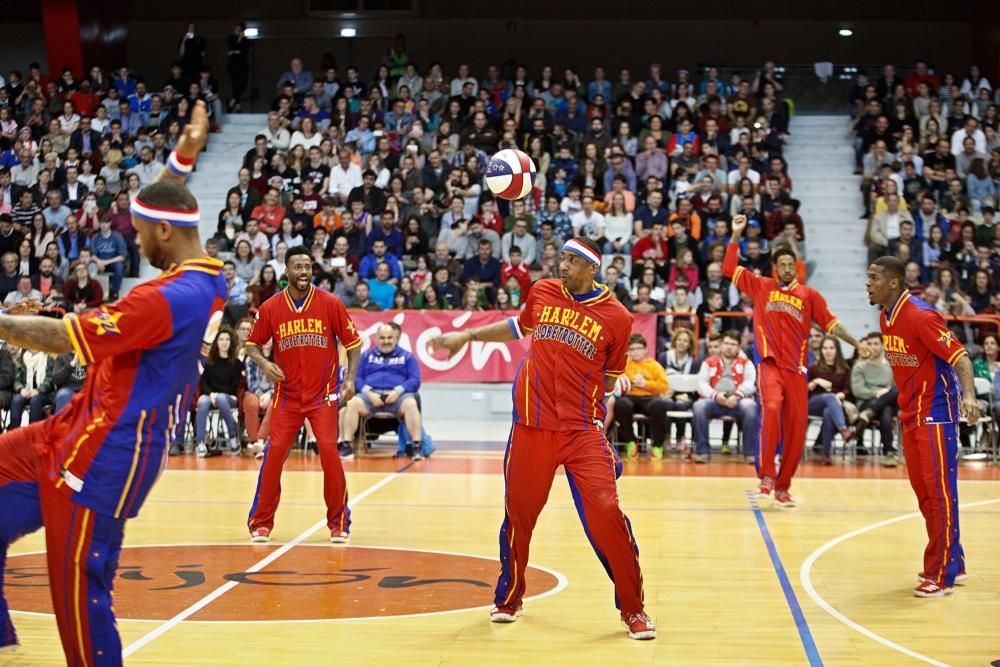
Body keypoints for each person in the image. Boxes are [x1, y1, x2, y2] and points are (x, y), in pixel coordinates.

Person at [0, 100, 228, 665]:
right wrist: (183, 156)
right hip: (75, 425)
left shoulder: (163, 300)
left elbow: (58, 338)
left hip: (108, 454)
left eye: (142, 232)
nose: (136, 238)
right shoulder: (206, 273)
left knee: (79, 593)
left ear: (165, 237)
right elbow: (161, 202)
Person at [429, 237, 654, 640]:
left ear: (592, 268)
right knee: (519, 515)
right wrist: (467, 337)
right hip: (531, 426)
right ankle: (510, 597)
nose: (561, 266)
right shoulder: (544, 291)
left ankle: (633, 608)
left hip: (582, 430)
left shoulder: (617, 317)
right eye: (561, 258)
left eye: (571, 261)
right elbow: (518, 327)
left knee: (607, 515)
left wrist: (588, 407)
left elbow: (610, 378)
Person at [725, 214, 861, 506]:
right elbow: (728, 268)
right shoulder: (761, 286)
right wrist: (736, 235)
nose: (786, 269)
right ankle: (766, 476)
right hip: (770, 366)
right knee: (771, 407)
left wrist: (857, 343)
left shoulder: (809, 295)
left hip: (798, 371)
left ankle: (783, 486)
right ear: (774, 268)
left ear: (797, 268)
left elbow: (832, 325)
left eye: (791, 265)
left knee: (797, 431)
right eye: (781, 265)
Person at [865, 256, 978, 598]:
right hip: (910, 413)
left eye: (874, 278)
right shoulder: (885, 317)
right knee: (924, 493)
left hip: (936, 414)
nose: (868, 283)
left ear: (894, 283)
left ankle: (940, 573)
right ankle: (952, 559)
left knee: (939, 493)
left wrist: (969, 396)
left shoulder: (921, 315)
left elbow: (960, 356)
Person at [244, 245, 362, 544]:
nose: (304, 272)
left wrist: (349, 379)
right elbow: (251, 345)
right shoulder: (271, 307)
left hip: (323, 395)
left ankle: (339, 522)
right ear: (287, 270)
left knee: (330, 454)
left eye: (308, 267)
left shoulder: (330, 303)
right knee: (273, 458)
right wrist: (265, 363)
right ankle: (261, 522)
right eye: (298, 267)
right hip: (287, 396)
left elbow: (353, 344)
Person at [341, 323, 424, 460]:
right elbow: (356, 378)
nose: (386, 341)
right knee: (353, 404)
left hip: (398, 397)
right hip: (370, 396)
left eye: (390, 338)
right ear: (377, 339)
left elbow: (415, 380)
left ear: (396, 338)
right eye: (383, 338)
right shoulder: (366, 356)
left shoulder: (407, 357)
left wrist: (398, 391)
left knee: (411, 404)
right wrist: (369, 393)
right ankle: (347, 446)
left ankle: (416, 447)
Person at [691, 330, 758, 463]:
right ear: (721, 345)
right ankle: (702, 452)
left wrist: (737, 395)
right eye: (726, 343)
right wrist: (715, 395)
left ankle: (750, 453)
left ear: (739, 347)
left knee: (751, 406)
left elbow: (752, 383)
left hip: (738, 401)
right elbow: (701, 384)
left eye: (733, 344)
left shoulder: (746, 363)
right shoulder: (708, 362)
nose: (728, 347)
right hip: (715, 401)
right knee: (699, 406)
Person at [613, 334, 670, 459]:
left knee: (659, 405)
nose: (635, 351)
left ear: (645, 349)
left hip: (649, 398)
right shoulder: (624, 365)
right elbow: (615, 382)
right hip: (629, 397)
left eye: (638, 348)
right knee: (621, 405)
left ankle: (657, 445)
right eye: (632, 349)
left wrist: (646, 384)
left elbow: (664, 387)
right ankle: (631, 442)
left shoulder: (654, 366)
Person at [850, 333, 900, 464]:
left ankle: (869, 413)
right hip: (866, 402)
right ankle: (888, 452)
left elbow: (896, 391)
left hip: (885, 403)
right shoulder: (859, 367)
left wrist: (886, 393)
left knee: (894, 396)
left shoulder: (891, 367)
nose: (873, 347)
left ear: (883, 346)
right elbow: (858, 391)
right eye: (870, 344)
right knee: (886, 410)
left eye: (876, 344)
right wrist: (877, 393)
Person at [194, 327, 243, 457]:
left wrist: (218, 395)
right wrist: (211, 394)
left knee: (221, 398)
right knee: (203, 401)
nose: (224, 342)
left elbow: (234, 386)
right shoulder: (210, 363)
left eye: (227, 339)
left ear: (231, 342)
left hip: (229, 398)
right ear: (216, 342)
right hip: (211, 396)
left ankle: (233, 439)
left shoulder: (237, 363)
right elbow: (203, 383)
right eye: (221, 339)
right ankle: (201, 444)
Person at [807, 335, 856, 465]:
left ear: (837, 350)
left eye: (831, 348)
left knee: (829, 412)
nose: (828, 351)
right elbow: (804, 390)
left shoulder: (845, 369)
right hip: (814, 404)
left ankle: (826, 453)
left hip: (836, 406)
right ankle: (843, 429)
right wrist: (816, 381)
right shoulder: (813, 368)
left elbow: (848, 390)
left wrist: (841, 395)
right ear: (821, 350)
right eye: (825, 348)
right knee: (829, 397)